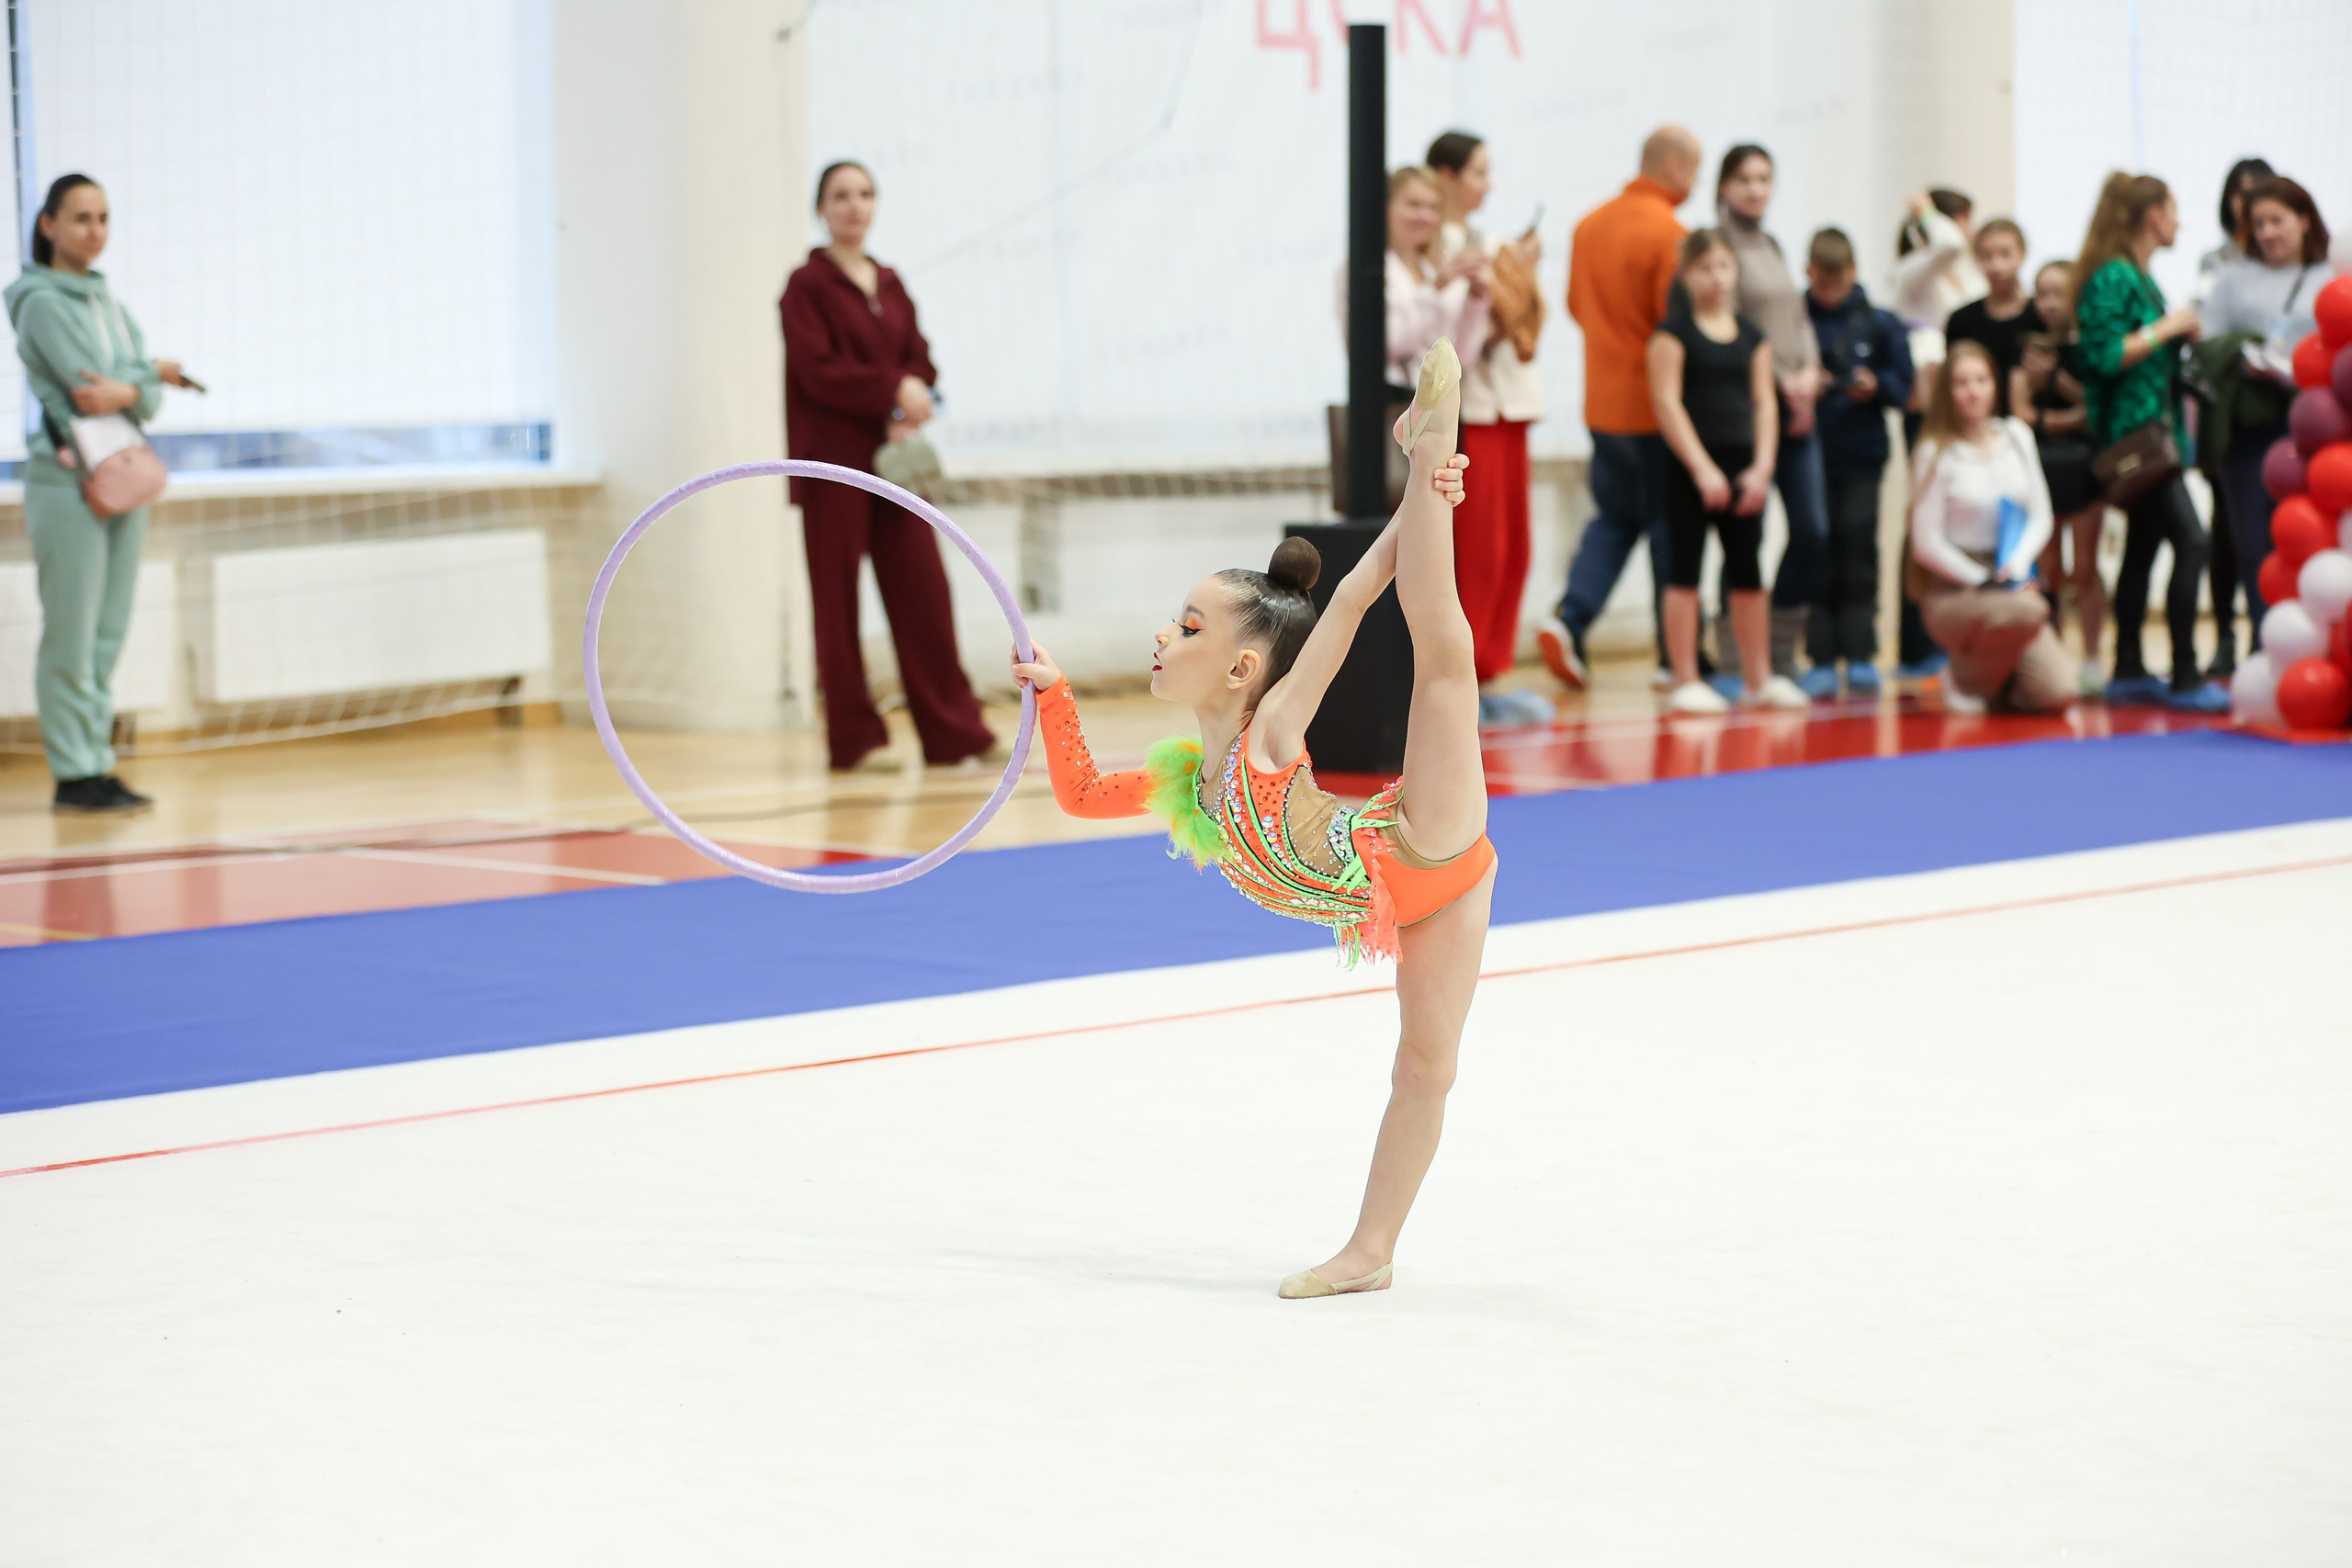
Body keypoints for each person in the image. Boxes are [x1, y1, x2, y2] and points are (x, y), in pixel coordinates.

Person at [1012, 343, 1487, 1300]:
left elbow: (1352, 600)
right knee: (1423, 1069)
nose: (1164, 632)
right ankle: (1371, 1253)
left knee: (1443, 658)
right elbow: (1077, 794)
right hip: (1419, 906)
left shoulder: (1270, 732)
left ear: (1240, 669)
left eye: (1189, 626)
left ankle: (1432, 434)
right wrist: (1056, 695)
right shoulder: (1192, 787)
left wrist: (1423, 496)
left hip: (1419, 842)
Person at [782, 161, 999, 773]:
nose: (854, 205)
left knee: (924, 591)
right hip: (833, 467)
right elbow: (818, 372)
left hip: (893, 466)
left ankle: (955, 734)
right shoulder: (805, 286)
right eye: (840, 196)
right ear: (821, 208)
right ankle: (855, 741)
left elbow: (920, 361)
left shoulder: (891, 282)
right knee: (837, 605)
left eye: (865, 194)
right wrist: (891, 391)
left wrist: (910, 396)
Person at [6, 174, 192, 815]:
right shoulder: (39, 302)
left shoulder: (109, 302)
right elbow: (92, 389)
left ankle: (97, 762)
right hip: (67, 481)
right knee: (72, 631)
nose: (94, 231)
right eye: (81, 218)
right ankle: (73, 771)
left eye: (103, 218)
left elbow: (136, 397)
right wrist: (150, 375)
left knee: (108, 631)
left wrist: (136, 387)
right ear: (49, 225)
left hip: (121, 475)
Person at [1535, 125, 1702, 694]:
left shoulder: (1589, 225)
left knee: (1616, 518)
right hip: (1656, 408)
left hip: (1602, 404)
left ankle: (1571, 618)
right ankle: (1674, 656)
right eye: (1694, 169)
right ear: (1674, 166)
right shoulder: (1671, 235)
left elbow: (1577, 307)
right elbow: (1676, 327)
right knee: (1669, 527)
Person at [2069, 172, 2226, 712]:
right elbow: (2103, 356)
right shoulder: (2114, 276)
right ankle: (2184, 674)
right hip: (2134, 439)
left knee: (2143, 546)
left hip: (2152, 434)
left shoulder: (2135, 274)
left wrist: (2174, 335)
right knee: (2193, 541)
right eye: (2173, 210)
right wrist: (2168, 328)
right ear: (2152, 215)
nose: (2178, 222)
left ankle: (2130, 666)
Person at [1650, 230, 1804, 713]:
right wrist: (1701, 468)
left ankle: (1758, 678)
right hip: (1690, 468)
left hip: (1743, 469)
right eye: (1705, 268)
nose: (1716, 278)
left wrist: (1763, 467)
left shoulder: (1752, 337)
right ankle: (1685, 677)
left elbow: (1764, 403)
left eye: (1723, 267)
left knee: (1748, 574)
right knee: (1684, 572)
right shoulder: (1672, 335)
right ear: (1687, 275)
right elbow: (1667, 403)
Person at [1427, 130, 1551, 729]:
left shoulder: (1490, 244)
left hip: (1508, 407)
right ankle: (1466, 680)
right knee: (1478, 552)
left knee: (1513, 549)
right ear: (1446, 176)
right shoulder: (1434, 249)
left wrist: (1519, 276)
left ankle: (1492, 672)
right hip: (1469, 411)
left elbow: (1523, 320)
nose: (1487, 185)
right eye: (1477, 172)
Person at [1713, 144, 1828, 684]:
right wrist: (1783, 385)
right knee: (1745, 539)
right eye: (1744, 179)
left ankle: (1780, 648)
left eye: (1764, 178)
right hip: (1749, 410)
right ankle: (1735, 657)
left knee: (1811, 531)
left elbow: (1798, 319)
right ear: (1724, 186)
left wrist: (1811, 374)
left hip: (1798, 405)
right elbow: (1734, 329)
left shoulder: (1774, 244)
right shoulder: (1719, 247)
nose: (1755, 189)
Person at [1906, 341, 2069, 712]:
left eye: (1981, 380)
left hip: (2011, 573)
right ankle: (1963, 682)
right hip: (1956, 587)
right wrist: (1982, 579)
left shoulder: (2016, 436)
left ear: (1995, 385)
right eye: (1961, 383)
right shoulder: (1935, 450)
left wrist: (2018, 564)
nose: (1973, 391)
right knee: (2028, 611)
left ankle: (1994, 679)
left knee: (2058, 692)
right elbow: (1925, 541)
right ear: (1947, 391)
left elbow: (2040, 513)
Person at [2200, 175, 2332, 628]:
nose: (2268, 232)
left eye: (2277, 220)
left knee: (2314, 539)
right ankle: (2265, 639)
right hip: (2251, 425)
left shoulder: (2331, 276)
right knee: (2254, 542)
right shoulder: (2233, 280)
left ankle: (2316, 640)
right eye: (2259, 224)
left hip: (2318, 426)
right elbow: (2208, 344)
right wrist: (2243, 354)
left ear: (2304, 219)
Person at [1801, 228, 1915, 697]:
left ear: (1854, 272)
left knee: (1859, 548)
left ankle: (1862, 653)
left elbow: (1904, 387)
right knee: (1816, 548)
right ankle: (1821, 656)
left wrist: (1875, 385)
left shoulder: (1880, 323)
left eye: (1839, 282)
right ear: (1809, 273)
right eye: (1822, 283)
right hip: (1809, 453)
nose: (1830, 292)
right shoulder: (1796, 319)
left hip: (1863, 455)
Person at [2019, 259, 2109, 697]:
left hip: (2087, 467)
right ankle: (2053, 653)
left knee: (2086, 566)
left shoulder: (2091, 347)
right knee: (2050, 567)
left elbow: (2097, 409)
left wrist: (2056, 380)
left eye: (2059, 292)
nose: (2050, 303)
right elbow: (2021, 412)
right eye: (2042, 294)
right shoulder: (2029, 348)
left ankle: (2092, 656)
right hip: (2042, 467)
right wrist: (2064, 417)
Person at [1944, 220, 2040, 418]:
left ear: (2022, 254)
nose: (1996, 265)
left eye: (2005, 254)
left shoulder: (2039, 316)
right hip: (1976, 422)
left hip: (2032, 423)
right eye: (1986, 255)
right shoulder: (1961, 320)